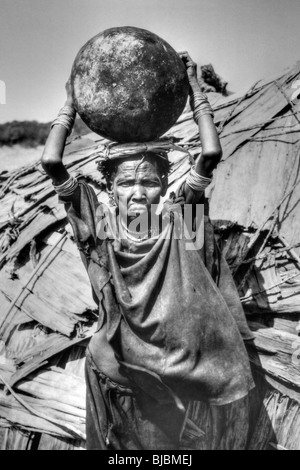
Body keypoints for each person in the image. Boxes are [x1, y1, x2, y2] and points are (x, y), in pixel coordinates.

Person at [41, 52, 254, 450]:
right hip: (126, 378)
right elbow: (51, 160)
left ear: (164, 184)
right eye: (125, 183)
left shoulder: (180, 221)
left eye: (149, 181)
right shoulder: (100, 227)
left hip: (187, 376)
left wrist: (194, 90)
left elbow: (209, 155)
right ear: (109, 189)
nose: (137, 192)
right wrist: (71, 102)